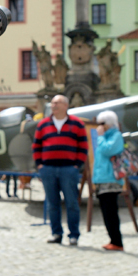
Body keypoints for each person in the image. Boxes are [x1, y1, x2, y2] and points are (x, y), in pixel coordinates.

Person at [32, 94, 87, 245]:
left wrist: (77, 165)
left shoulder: (77, 124)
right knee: (52, 203)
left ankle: (73, 234)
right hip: (48, 169)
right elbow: (36, 146)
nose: (54, 105)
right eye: (53, 103)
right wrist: (40, 165)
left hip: (68, 169)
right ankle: (56, 233)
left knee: (72, 203)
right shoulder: (43, 124)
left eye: (58, 103)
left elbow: (83, 146)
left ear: (65, 105)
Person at [92, 110, 125, 251]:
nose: (99, 126)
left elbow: (108, 150)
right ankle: (113, 239)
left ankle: (117, 242)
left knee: (111, 211)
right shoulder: (105, 136)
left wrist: (100, 137)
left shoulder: (116, 136)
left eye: (102, 123)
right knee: (106, 212)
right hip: (101, 179)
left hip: (110, 180)